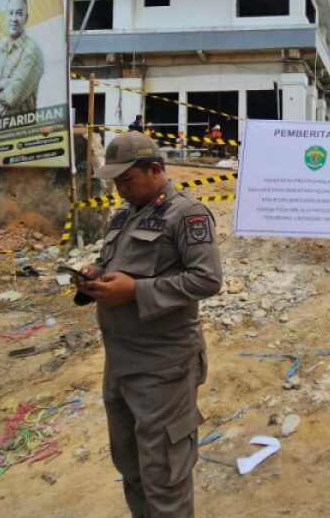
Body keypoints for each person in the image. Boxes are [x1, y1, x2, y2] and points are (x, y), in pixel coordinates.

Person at [76, 132, 223, 518]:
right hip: (120, 365)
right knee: (132, 467)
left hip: (163, 367)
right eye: (115, 182)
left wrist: (136, 291)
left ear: (155, 169)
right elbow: (115, 263)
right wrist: (95, 275)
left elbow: (207, 279)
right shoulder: (124, 215)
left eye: (127, 179)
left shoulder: (186, 214)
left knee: (164, 477)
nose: (120, 189)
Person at [0, 0, 44, 119]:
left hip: (20, 130)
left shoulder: (31, 50)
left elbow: (12, 97)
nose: (14, 18)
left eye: (19, 13)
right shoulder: (0, 52)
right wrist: (3, 84)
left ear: (26, 18)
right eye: (11, 13)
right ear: (5, 16)